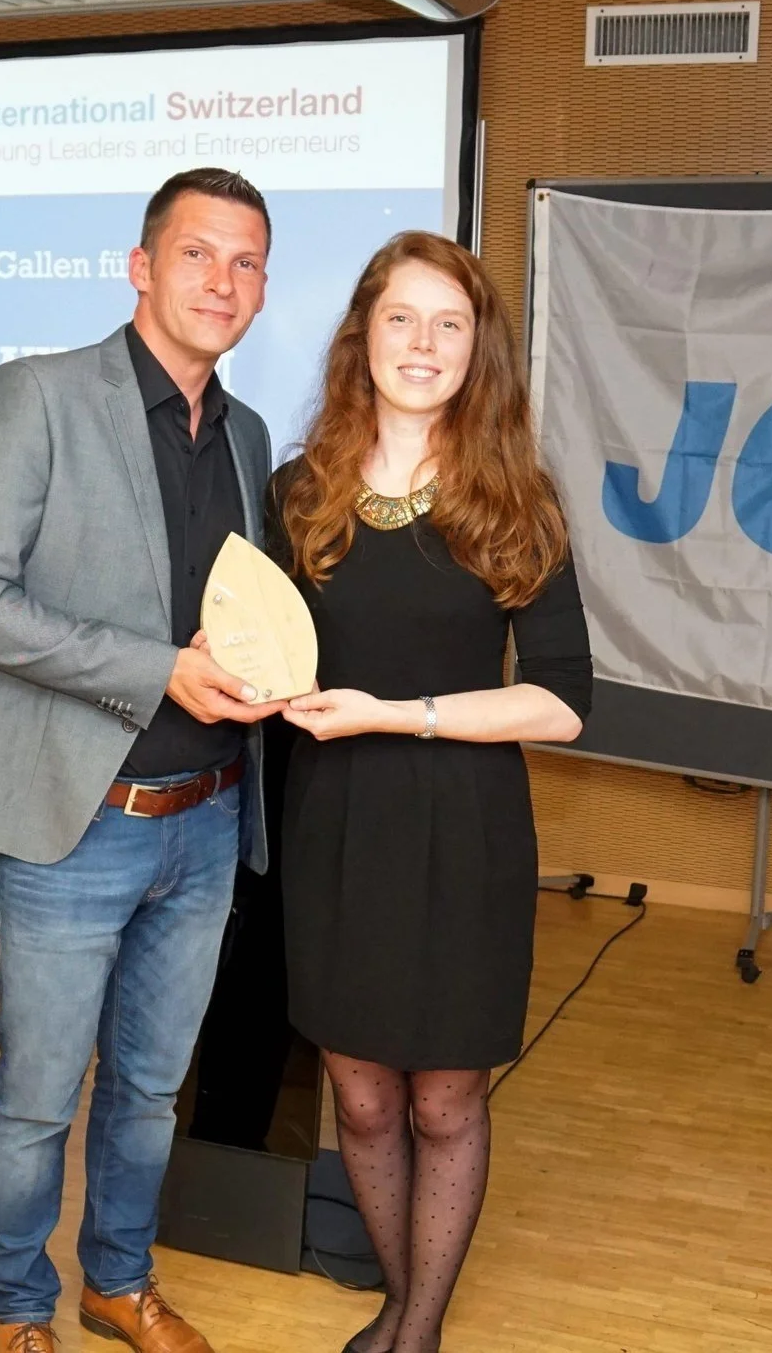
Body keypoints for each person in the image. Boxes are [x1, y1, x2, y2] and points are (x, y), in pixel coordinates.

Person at [0, 167, 284, 1353]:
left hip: (209, 818)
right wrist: (154, 668)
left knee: (147, 1091)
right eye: (197, 254)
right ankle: (20, 1305)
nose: (222, 282)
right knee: (38, 1095)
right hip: (75, 821)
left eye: (246, 263)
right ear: (140, 267)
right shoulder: (37, 397)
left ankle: (117, 1283)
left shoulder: (249, 436)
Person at [264, 231, 594, 1353]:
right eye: (400, 318)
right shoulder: (299, 494)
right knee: (361, 1100)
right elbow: (264, 653)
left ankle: (416, 1334)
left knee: (445, 1102)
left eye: (449, 323)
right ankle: (404, 1299)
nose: (422, 343)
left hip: (465, 833)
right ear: (362, 336)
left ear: (477, 348)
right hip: (335, 827)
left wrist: (395, 714)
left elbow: (561, 704)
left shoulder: (516, 502)